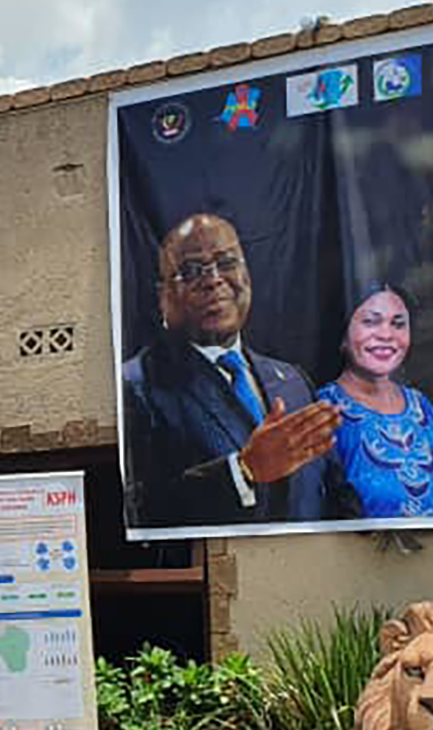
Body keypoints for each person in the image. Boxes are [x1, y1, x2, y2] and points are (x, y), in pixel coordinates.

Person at [121, 212, 353, 528]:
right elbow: (142, 510)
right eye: (190, 271)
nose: (214, 279)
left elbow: (335, 491)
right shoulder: (136, 385)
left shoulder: (293, 381)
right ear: (163, 297)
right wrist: (243, 471)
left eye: (227, 262)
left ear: (246, 272)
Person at [316, 283, 433, 519]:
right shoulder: (325, 411)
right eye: (371, 321)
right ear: (342, 334)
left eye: (398, 324)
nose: (386, 334)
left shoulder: (422, 408)